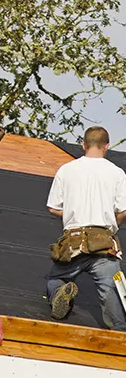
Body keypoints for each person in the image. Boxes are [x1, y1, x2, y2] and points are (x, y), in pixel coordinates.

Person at [46, 126, 126, 331]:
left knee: (55, 278)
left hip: (74, 241)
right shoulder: (117, 173)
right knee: (112, 292)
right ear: (106, 146)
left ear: (83, 145)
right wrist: (114, 224)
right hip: (104, 242)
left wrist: (75, 213)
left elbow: (53, 207)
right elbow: (124, 210)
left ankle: (60, 292)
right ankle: (119, 336)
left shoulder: (66, 169)